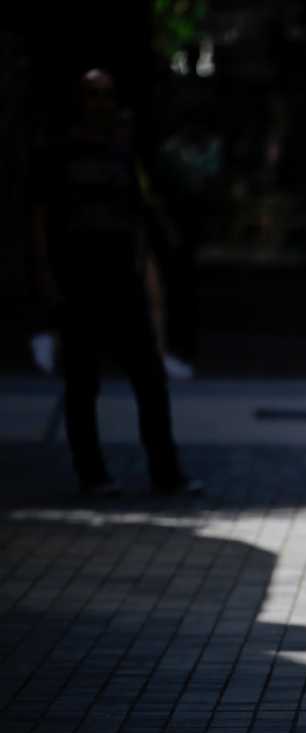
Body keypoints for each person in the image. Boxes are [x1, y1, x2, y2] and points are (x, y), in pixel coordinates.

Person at [30, 68, 200, 496]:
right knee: (82, 383)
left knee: (149, 378)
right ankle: (92, 474)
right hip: (78, 278)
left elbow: (137, 214)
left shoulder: (123, 149)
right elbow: (41, 217)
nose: (100, 103)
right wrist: (48, 277)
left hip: (121, 275)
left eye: (106, 94)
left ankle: (167, 473)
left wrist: (145, 271)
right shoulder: (60, 150)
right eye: (91, 94)